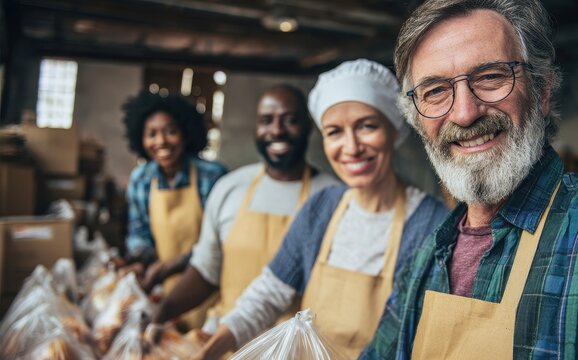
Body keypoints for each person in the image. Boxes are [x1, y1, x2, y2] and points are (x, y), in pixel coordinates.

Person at [361, 1, 578, 359]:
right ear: (417, 119)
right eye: (435, 91)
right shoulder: (427, 255)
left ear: (541, 91)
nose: (464, 114)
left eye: (490, 76)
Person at [194, 59, 449, 360]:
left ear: (393, 130)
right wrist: (212, 349)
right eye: (334, 132)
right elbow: (268, 293)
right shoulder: (322, 207)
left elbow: (415, 337)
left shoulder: (431, 222)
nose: (351, 147)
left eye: (367, 126)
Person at [148, 84, 338, 334]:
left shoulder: (333, 197)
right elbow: (206, 270)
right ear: (256, 128)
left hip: (295, 350)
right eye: (266, 121)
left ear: (309, 127)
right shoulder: (230, 188)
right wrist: (157, 316)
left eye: (290, 120)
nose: (277, 130)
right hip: (227, 345)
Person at [121, 90, 227, 327]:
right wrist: (139, 261)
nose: (161, 142)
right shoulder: (142, 179)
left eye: (170, 131)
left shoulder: (211, 176)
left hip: (211, 288)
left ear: (185, 133)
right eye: (152, 134)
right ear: (141, 139)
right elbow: (140, 234)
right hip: (166, 290)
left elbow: (223, 242)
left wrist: (173, 265)